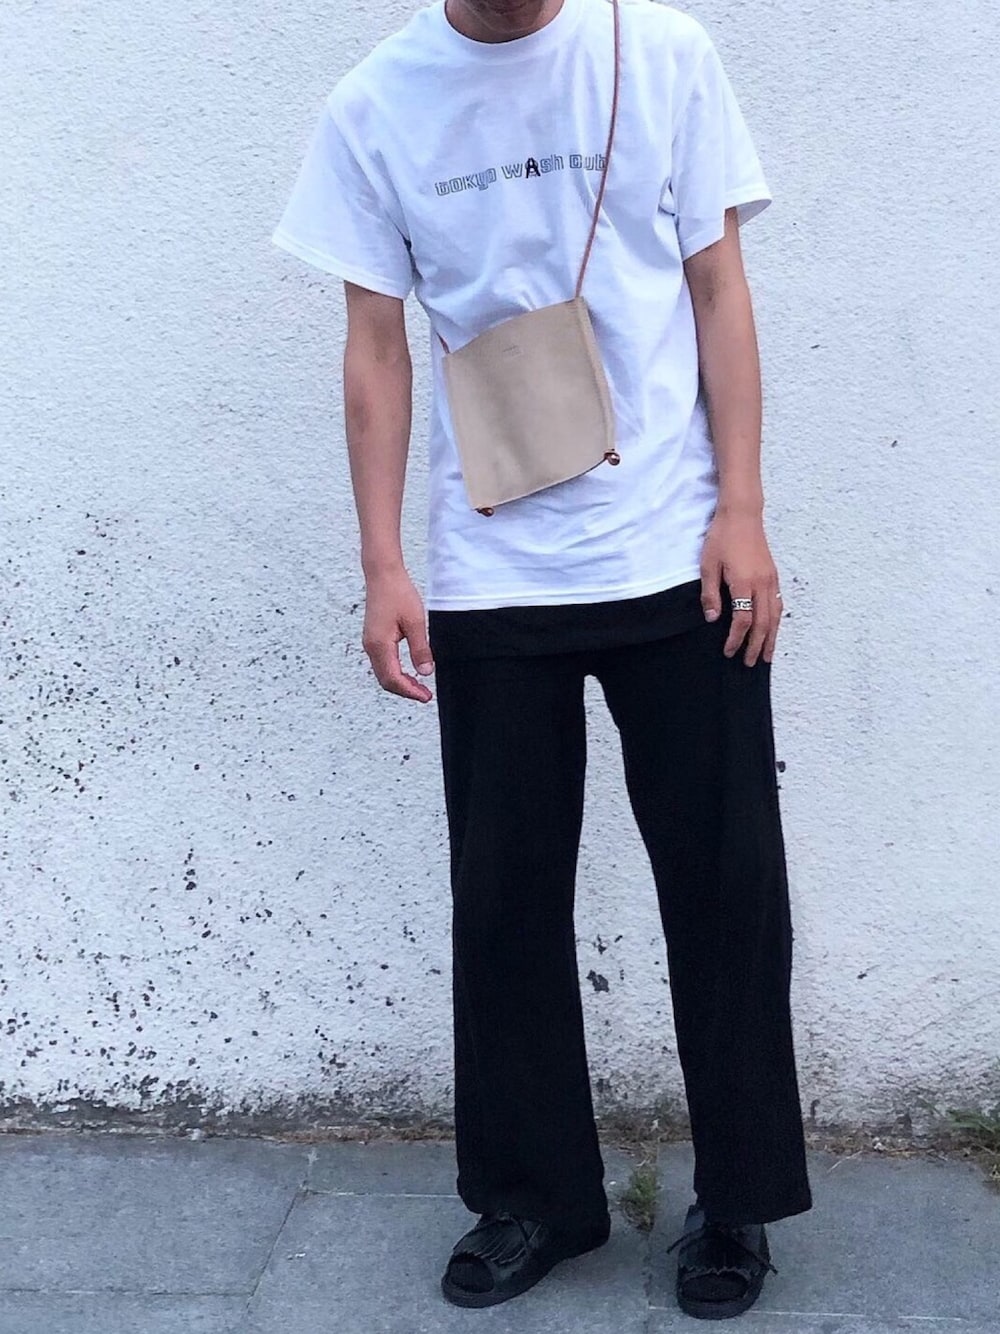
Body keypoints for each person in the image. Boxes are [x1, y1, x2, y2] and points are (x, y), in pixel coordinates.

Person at [271, 0, 813, 1318]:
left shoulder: (663, 54)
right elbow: (373, 347)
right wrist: (384, 564)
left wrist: (742, 509)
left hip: (677, 550)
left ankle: (737, 1198)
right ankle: (536, 1197)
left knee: (728, 885)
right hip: (492, 564)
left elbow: (719, 287)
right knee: (505, 894)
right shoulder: (377, 102)